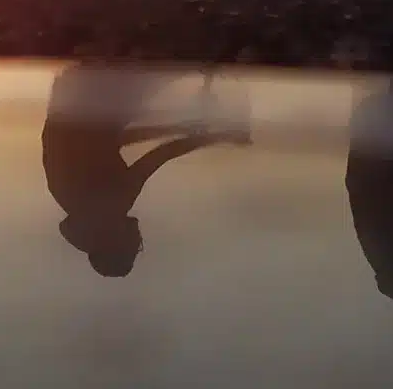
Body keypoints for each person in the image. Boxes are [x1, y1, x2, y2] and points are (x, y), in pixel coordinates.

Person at [43, 66, 246, 277]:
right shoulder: (76, 205)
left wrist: (223, 136)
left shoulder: (110, 208)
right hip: (71, 99)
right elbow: (111, 141)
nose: (138, 239)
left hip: (91, 101)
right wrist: (179, 129)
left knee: (164, 68)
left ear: (117, 245)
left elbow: (160, 155)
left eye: (134, 247)